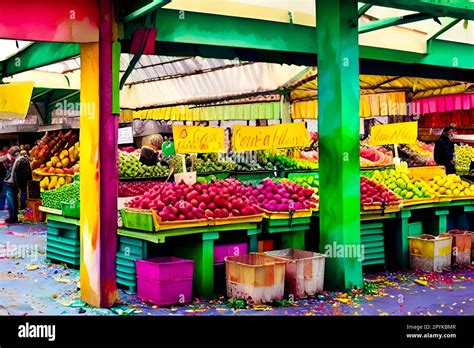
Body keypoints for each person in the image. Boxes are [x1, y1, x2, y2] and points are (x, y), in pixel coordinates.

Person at [3, 146, 21, 223]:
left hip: (11, 182)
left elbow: (13, 173)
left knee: (11, 200)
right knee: (12, 199)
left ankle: (13, 217)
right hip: (12, 182)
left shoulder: (17, 160)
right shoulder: (15, 160)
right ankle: (13, 216)